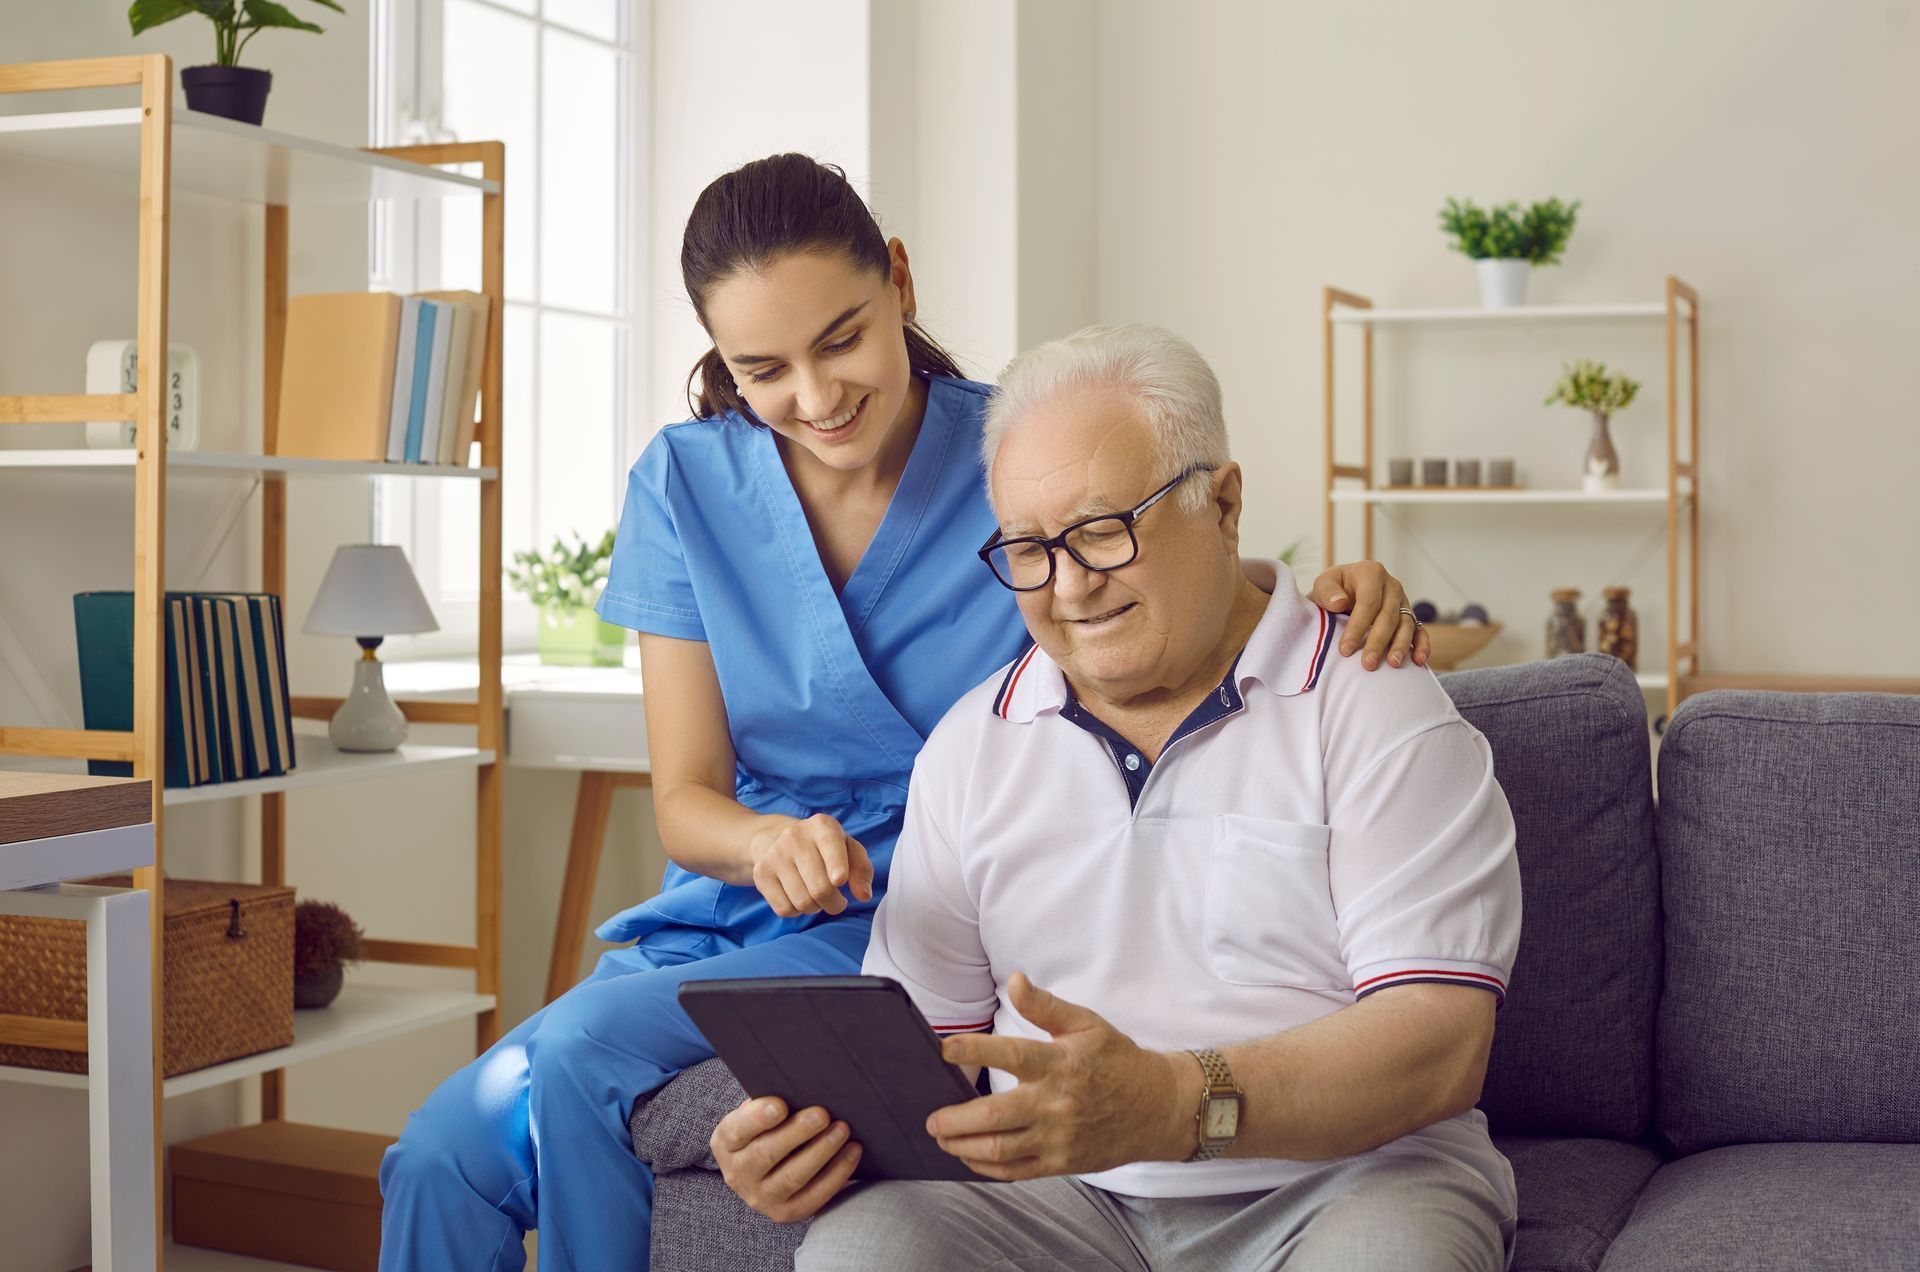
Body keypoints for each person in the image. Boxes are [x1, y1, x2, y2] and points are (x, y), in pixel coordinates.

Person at [378, 156, 1432, 1272]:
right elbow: (687, 799)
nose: (817, 397)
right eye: (763, 370)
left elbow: (1161, 582)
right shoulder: (684, 484)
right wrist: (767, 843)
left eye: (841, 339)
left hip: (921, 914)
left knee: (585, 1047)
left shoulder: (1010, 452)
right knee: (439, 1156)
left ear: (899, 281)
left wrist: (1337, 590)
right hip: (732, 910)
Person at [712, 324, 1522, 1272]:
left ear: (1222, 505)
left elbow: (1438, 1044)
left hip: (1350, 1180)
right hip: (1056, 1201)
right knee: (860, 1254)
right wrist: (812, 1143)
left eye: (1102, 532)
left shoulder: (1372, 700)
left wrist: (1171, 1103)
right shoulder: (972, 747)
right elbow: (925, 1051)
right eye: (1029, 548)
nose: (1069, 589)